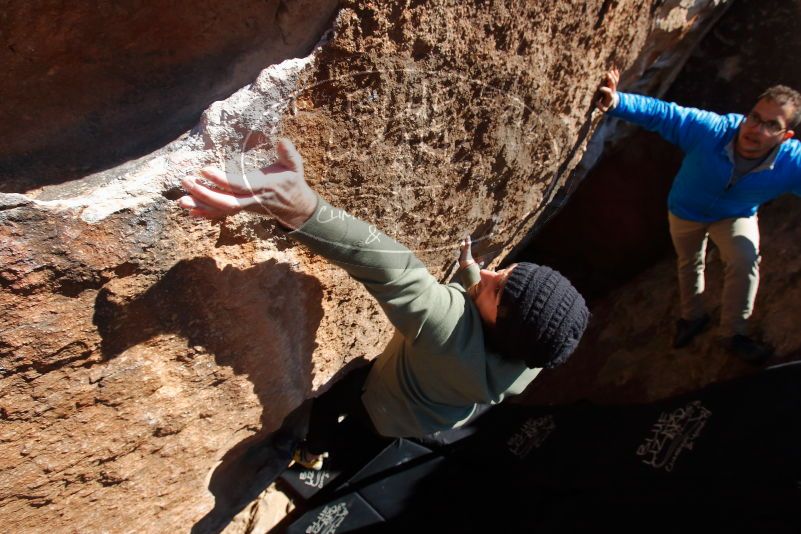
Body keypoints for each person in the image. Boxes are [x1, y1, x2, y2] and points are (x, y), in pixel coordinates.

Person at [177, 138, 589, 468]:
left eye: (497, 289)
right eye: (505, 270)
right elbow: (498, 321)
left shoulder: (444, 328)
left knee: (329, 407)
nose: (488, 273)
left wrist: (303, 209)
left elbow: (389, 266)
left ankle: (311, 452)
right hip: (426, 415)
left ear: (504, 330)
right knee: (362, 426)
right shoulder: (531, 360)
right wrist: (472, 277)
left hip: (382, 400)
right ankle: (322, 450)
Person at [596, 67, 801, 363]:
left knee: (745, 261)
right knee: (690, 262)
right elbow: (664, 114)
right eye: (754, 117)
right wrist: (617, 102)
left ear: (786, 136)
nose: (755, 129)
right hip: (687, 210)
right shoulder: (712, 131)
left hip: (735, 214)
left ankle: (733, 334)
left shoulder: (792, 164)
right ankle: (692, 318)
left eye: (771, 125)